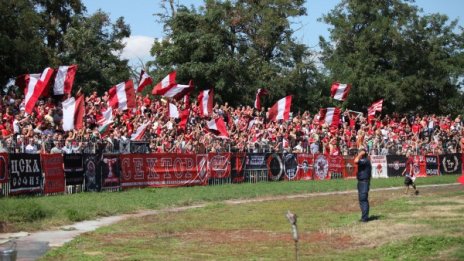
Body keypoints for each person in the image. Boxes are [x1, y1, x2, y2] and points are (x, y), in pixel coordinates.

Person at [354, 148, 371, 222]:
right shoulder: (364, 161)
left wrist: (360, 154)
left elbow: (355, 161)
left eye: (359, 153)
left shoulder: (365, 160)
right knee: (362, 200)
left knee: (363, 199)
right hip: (361, 182)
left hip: (364, 182)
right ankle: (364, 217)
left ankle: (365, 218)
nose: (358, 154)